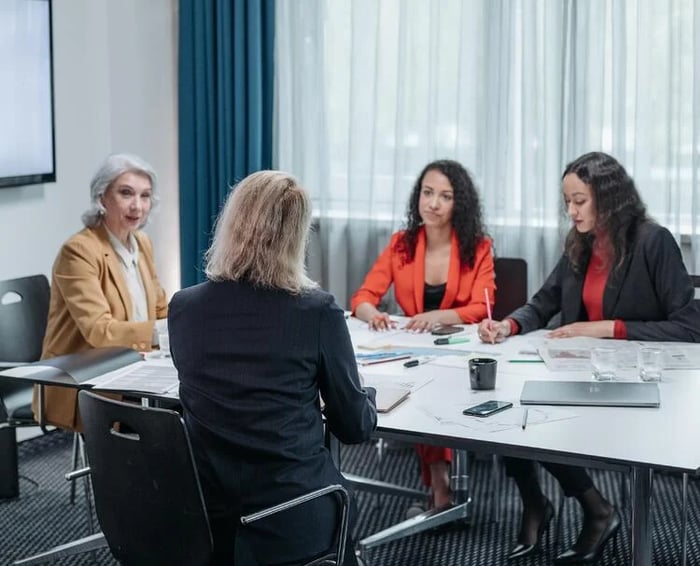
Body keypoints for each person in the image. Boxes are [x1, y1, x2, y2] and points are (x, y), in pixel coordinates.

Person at [479, 151, 700, 563]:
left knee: (536, 417)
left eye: (579, 201)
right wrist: (508, 325)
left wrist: (605, 327)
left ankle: (594, 510)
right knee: (511, 412)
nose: (571, 211)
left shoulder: (653, 241)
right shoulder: (581, 242)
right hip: (587, 371)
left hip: (639, 381)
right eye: (567, 201)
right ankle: (548, 504)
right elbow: (544, 301)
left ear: (609, 197)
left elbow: (691, 327)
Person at [168, 171, 377, 565]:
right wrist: (366, 395)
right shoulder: (317, 312)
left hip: (208, 516)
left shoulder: (183, 307)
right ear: (296, 236)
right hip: (293, 515)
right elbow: (354, 427)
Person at [351, 159, 495, 512]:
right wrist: (374, 314)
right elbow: (362, 298)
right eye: (427, 193)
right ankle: (440, 484)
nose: (433, 203)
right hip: (414, 349)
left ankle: (439, 486)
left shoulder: (477, 246)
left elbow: (481, 306)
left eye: (444, 196)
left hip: (459, 350)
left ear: (459, 203)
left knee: (436, 387)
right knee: (420, 386)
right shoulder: (402, 243)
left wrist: (434, 316)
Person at [34, 154, 168, 431]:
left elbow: (159, 308)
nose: (137, 206)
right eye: (126, 193)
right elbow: (99, 331)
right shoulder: (79, 250)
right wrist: (166, 330)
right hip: (86, 376)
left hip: (135, 365)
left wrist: (183, 326)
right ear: (101, 197)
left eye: (145, 196)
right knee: (158, 426)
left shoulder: (141, 243)